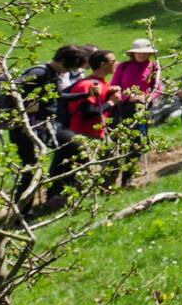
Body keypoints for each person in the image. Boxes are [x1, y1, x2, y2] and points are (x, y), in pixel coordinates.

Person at [6, 46, 85, 213]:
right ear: (63, 61)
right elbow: (11, 90)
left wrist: (85, 95)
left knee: (72, 146)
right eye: (70, 67)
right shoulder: (39, 73)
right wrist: (26, 107)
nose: (69, 72)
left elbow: (57, 96)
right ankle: (22, 212)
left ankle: (56, 193)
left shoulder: (52, 75)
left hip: (44, 125)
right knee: (31, 168)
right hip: (25, 128)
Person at [45, 49, 121, 208]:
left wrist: (108, 96)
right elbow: (88, 113)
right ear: (103, 64)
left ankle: (68, 201)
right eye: (113, 61)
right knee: (72, 172)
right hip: (81, 135)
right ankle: (62, 203)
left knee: (72, 171)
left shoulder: (100, 84)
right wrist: (112, 101)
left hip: (89, 134)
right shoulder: (89, 85)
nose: (116, 64)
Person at [110, 38, 161, 186]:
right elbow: (114, 86)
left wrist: (147, 98)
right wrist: (128, 97)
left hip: (144, 107)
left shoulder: (154, 67)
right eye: (139, 53)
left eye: (145, 53)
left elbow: (157, 87)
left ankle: (128, 179)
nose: (142, 56)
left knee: (139, 141)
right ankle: (118, 178)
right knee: (126, 142)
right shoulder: (123, 67)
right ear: (133, 53)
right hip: (124, 108)